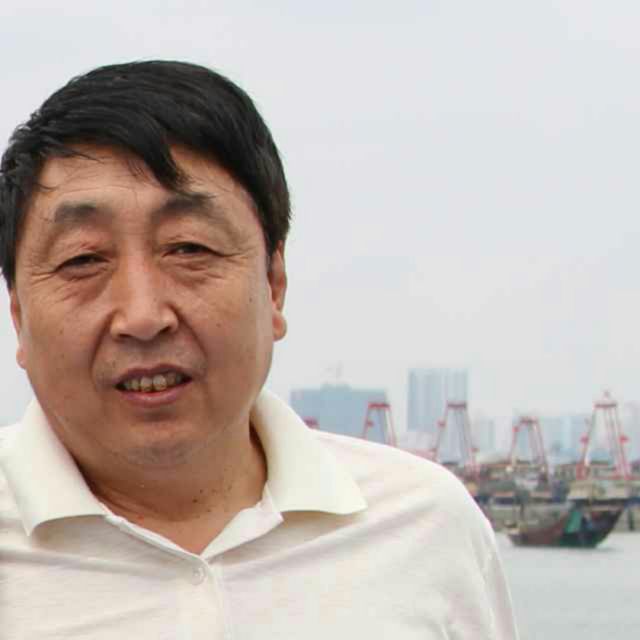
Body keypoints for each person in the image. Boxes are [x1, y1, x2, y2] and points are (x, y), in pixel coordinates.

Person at [0, 61, 518, 639]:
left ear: (274, 284)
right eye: (83, 259)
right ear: (18, 314)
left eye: (189, 248)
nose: (143, 316)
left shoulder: (426, 526)